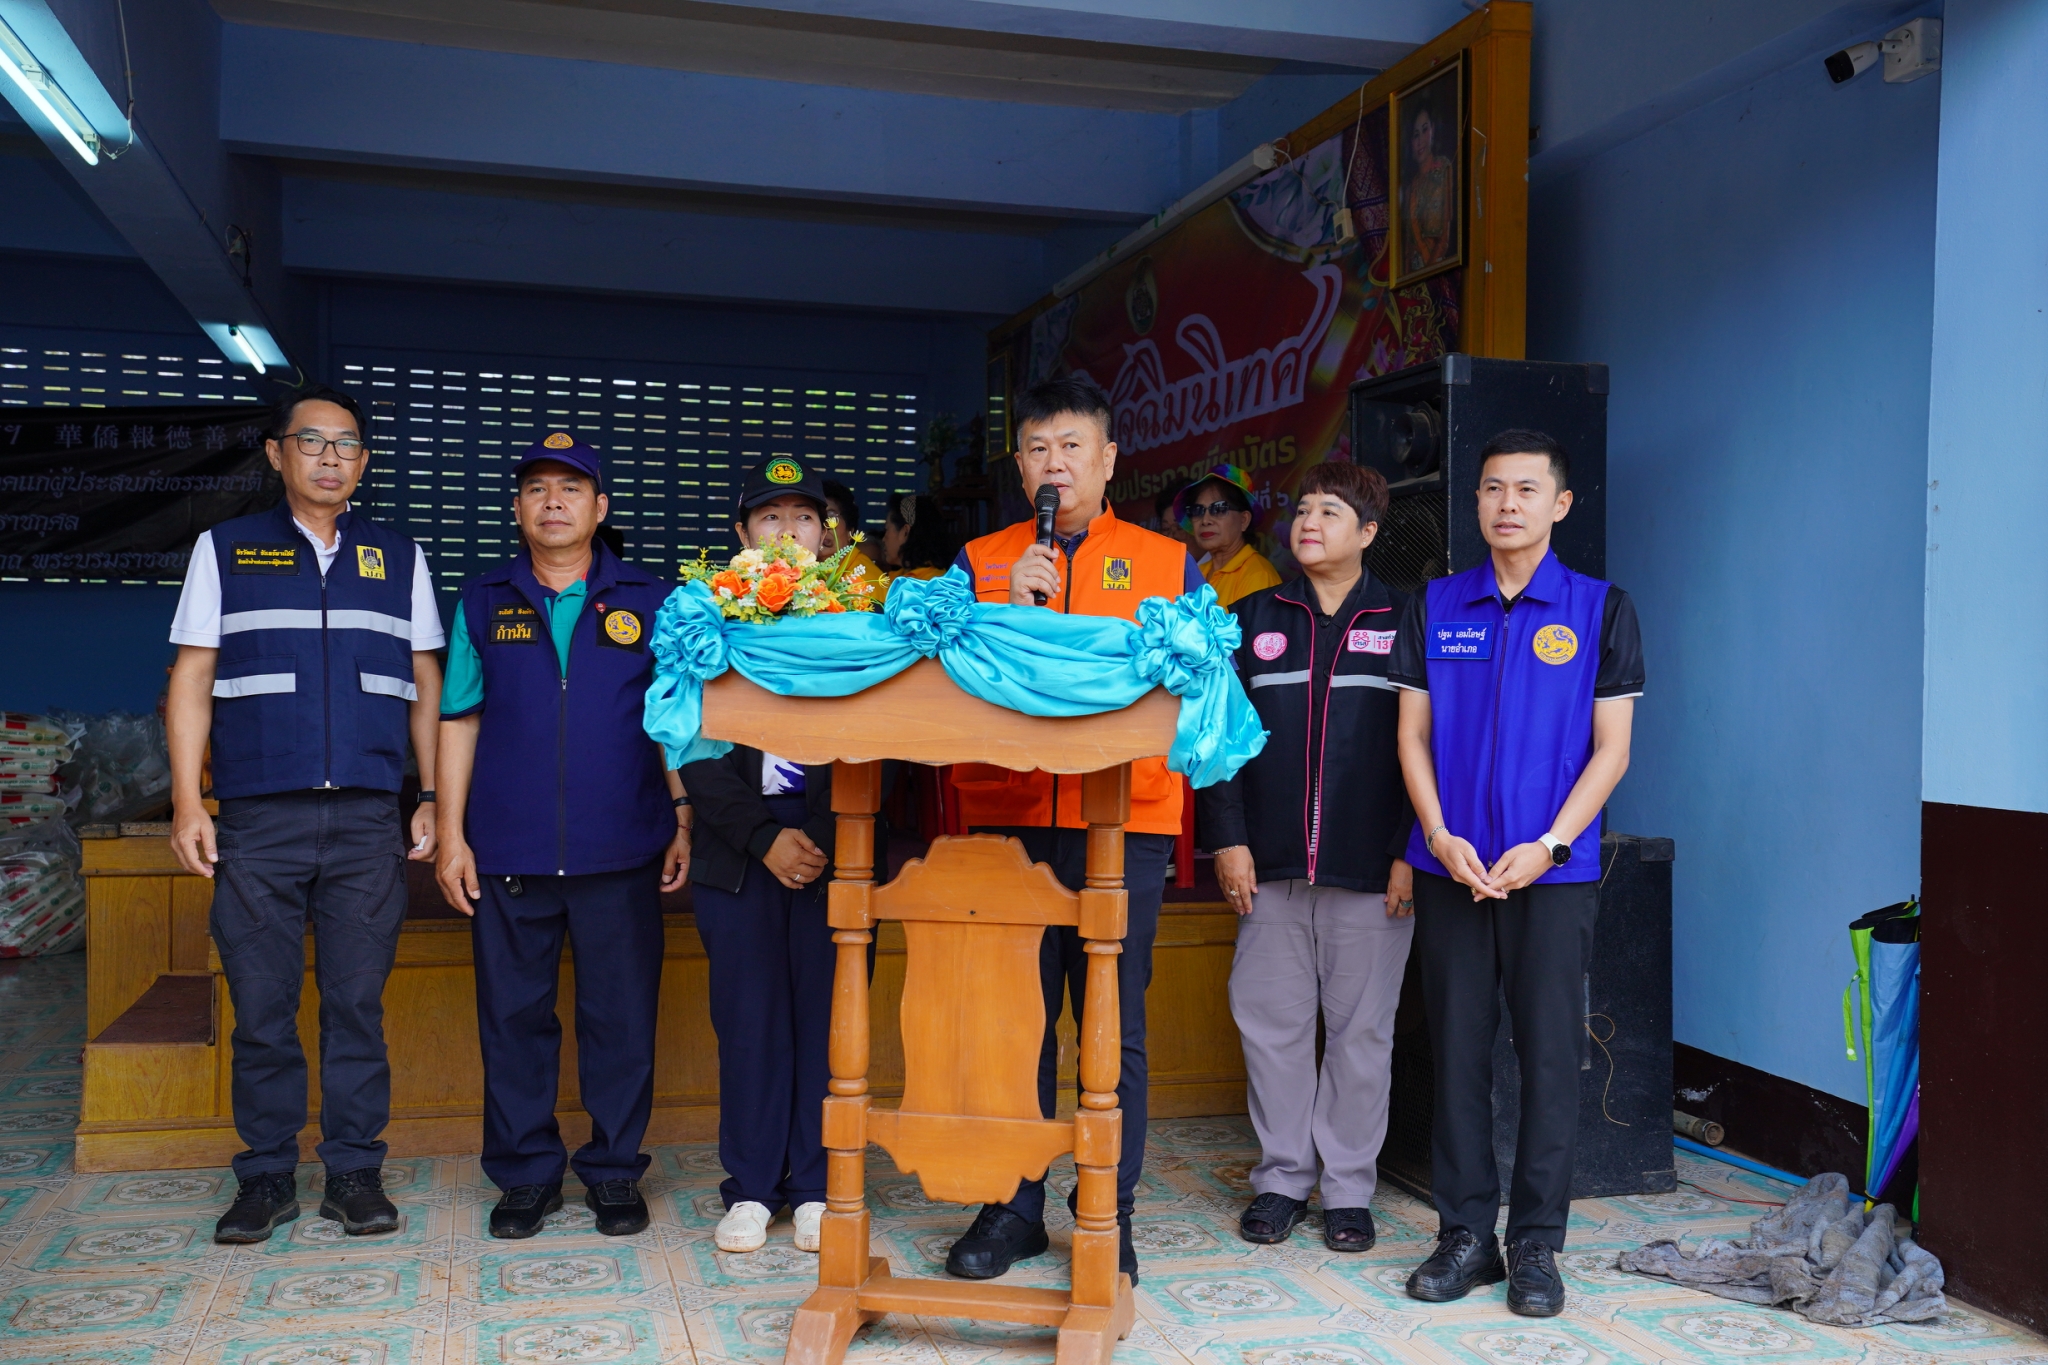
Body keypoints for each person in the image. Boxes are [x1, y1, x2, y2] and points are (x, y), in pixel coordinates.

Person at [165, 383, 445, 1244]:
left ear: (364, 461)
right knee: (262, 1006)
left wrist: (433, 796)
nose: (330, 457)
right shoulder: (225, 548)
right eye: (313, 440)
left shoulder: (397, 556)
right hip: (259, 818)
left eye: (347, 443)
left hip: (366, 817)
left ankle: (354, 1171)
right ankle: (265, 1176)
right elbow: (192, 677)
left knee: (357, 1004)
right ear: (276, 453)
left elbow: (427, 683)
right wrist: (189, 801)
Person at [942, 375, 1204, 1286]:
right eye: (1038, 449)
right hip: (1008, 820)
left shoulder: (1168, 562)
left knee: (1110, 1028)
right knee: (1011, 1023)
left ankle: (1105, 1208)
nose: (1055, 464)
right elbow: (936, 678)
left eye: (1072, 446)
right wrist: (997, 612)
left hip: (1123, 822)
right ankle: (1010, 1204)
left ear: (1108, 458)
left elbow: (1198, 685)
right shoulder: (979, 562)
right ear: (1020, 467)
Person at [1389, 429, 1643, 1316]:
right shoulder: (1436, 603)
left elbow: (1612, 751)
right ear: (1477, 500)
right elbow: (1411, 735)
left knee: (1550, 1058)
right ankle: (1465, 1235)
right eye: (1494, 488)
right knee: (1456, 1051)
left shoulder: (1601, 609)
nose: (1508, 504)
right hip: (1450, 867)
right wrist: (1437, 834)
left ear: (1559, 504)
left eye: (1528, 489)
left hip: (1552, 876)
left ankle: (1536, 1243)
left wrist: (1552, 845)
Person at [435, 433, 689, 1240]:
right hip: (508, 848)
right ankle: (525, 1175)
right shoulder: (483, 600)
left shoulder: (654, 599)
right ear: (517, 508)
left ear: (600, 507)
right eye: (538, 488)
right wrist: (451, 833)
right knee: (514, 1020)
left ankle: (613, 1170)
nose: (553, 501)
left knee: (621, 1018)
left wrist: (683, 813)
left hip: (623, 844)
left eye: (572, 488)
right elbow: (458, 718)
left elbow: (675, 718)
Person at [1197, 460, 1413, 1253]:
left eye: (1330, 511)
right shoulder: (1251, 618)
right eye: (1304, 509)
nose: (1310, 522)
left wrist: (1409, 850)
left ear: (1368, 531)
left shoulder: (1407, 620)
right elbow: (1217, 740)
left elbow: (1433, 747)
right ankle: (1284, 1179)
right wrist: (1229, 838)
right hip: (1271, 864)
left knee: (1363, 1036)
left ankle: (1349, 1189)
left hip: (1372, 868)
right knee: (1272, 1028)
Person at [677, 456, 842, 1255]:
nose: (787, 532)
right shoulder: (705, 617)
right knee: (748, 1020)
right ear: (741, 532)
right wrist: (764, 836)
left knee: (825, 1020)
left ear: (825, 534)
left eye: (803, 517)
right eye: (770, 517)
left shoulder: (857, 617)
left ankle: (815, 1185)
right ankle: (749, 1186)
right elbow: (689, 742)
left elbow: (884, 740)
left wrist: (825, 836)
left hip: (833, 846)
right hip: (738, 847)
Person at [1177, 464, 1281, 608]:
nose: (1205, 520)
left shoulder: (1257, 574)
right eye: (1198, 510)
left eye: (1219, 509)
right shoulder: (1199, 571)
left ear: (1243, 520)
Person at [880, 492, 955, 595]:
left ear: (905, 532)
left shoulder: (934, 586)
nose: (883, 539)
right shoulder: (896, 578)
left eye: (887, 529)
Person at [821, 478, 885, 589]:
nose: (823, 525)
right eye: (809, 518)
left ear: (850, 532)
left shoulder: (865, 581)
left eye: (830, 516)